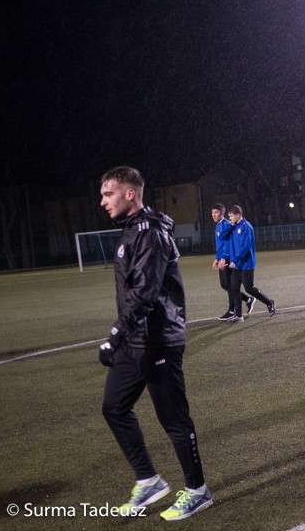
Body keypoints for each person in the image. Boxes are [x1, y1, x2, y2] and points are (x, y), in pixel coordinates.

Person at [98, 166, 212, 520]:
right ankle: (148, 479)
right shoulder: (132, 230)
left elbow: (144, 293)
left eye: (108, 194)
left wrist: (114, 335)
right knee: (114, 406)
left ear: (130, 194)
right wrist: (123, 336)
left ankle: (197, 490)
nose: (103, 202)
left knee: (174, 420)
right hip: (136, 340)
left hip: (158, 340)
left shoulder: (148, 233)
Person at [224, 205, 276, 322]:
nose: (230, 219)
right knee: (234, 289)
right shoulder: (234, 227)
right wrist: (229, 227)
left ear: (238, 215)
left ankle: (269, 302)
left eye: (231, 216)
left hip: (246, 264)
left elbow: (246, 247)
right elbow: (223, 236)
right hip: (237, 265)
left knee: (249, 288)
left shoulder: (246, 227)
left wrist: (235, 260)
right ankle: (239, 315)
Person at [211, 203, 255, 321]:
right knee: (226, 285)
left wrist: (223, 258)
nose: (213, 215)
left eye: (216, 212)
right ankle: (247, 300)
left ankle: (232, 310)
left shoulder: (227, 224)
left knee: (229, 285)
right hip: (222, 258)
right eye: (212, 213)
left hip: (228, 259)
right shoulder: (218, 226)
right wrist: (217, 258)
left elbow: (228, 244)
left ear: (222, 213)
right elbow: (220, 244)